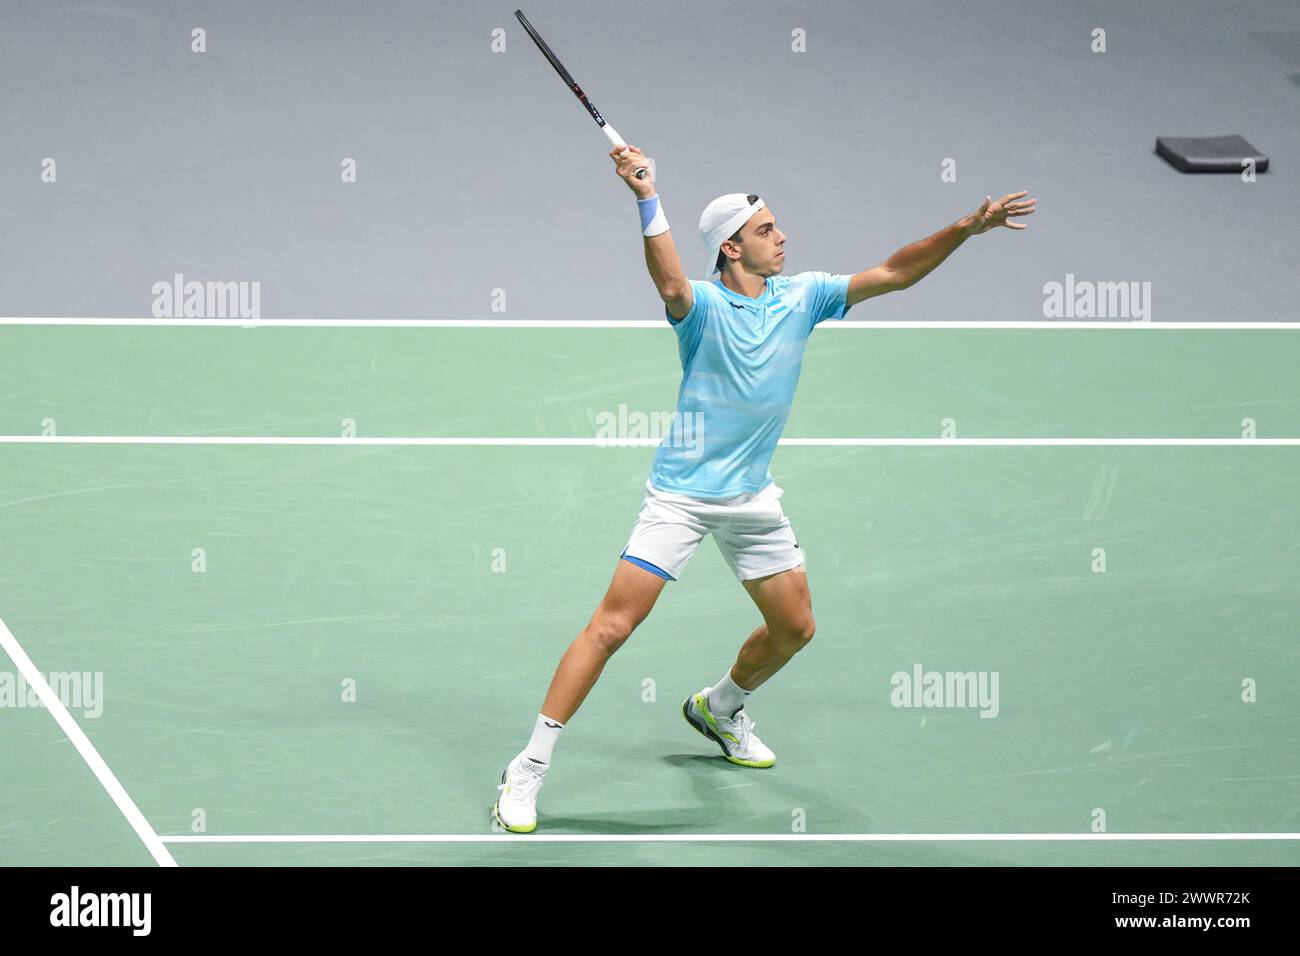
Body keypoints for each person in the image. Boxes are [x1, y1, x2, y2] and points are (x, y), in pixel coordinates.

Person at [494, 143, 1035, 832]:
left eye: (778, 228)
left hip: (751, 497)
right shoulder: (704, 310)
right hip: (683, 496)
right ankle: (529, 768)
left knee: (795, 629)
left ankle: (716, 708)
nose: (783, 239)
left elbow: (896, 273)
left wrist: (966, 227)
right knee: (613, 626)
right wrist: (644, 195)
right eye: (767, 231)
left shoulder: (801, 297)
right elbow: (669, 286)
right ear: (730, 248)